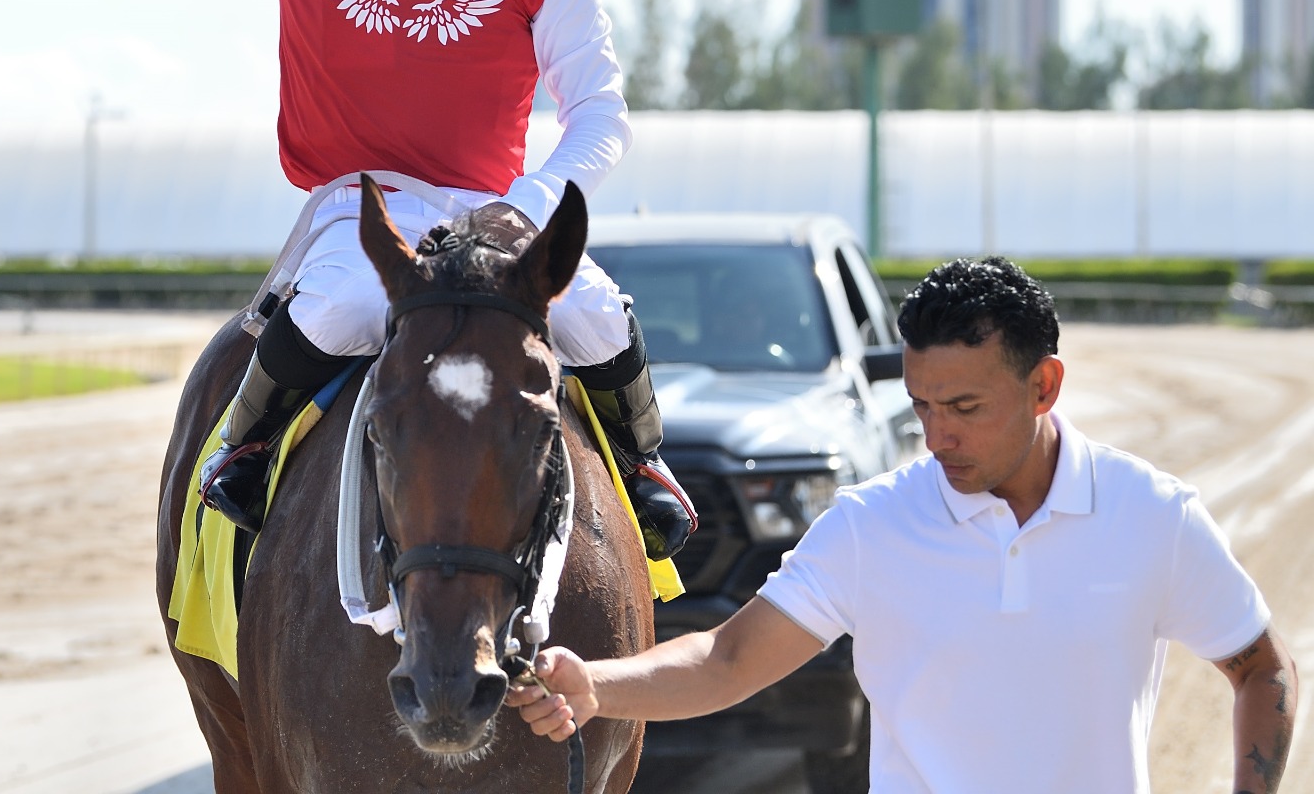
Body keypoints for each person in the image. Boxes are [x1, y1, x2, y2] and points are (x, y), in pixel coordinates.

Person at [4, 0, 694, 560]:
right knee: (337, 307)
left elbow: (601, 113)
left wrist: (526, 209)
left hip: (491, 220)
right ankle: (244, 452)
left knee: (595, 313)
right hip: (362, 212)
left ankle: (646, 471)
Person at [508, 256, 1297, 792]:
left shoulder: (1151, 516)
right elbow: (727, 658)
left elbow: (1261, 667)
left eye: (965, 408)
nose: (938, 434)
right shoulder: (871, 528)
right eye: (922, 407)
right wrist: (596, 685)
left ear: (1044, 385)